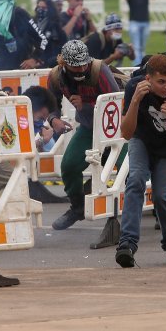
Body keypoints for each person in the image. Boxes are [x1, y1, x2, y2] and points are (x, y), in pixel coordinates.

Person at [114, 55, 166, 268]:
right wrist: (134, 101)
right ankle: (127, 244)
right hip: (142, 141)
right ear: (148, 79)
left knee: (161, 196)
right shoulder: (134, 87)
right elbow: (127, 133)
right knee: (136, 180)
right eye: (161, 82)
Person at [46, 39, 121, 230]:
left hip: (117, 129)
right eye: (75, 66)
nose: (81, 69)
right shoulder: (55, 77)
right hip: (88, 129)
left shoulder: (100, 71)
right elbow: (51, 104)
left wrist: (87, 105)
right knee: (69, 165)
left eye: (83, 64)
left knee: (129, 168)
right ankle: (77, 208)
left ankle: (132, 210)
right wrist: (54, 120)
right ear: (64, 64)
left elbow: (117, 104)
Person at [123, 0, 159, 64]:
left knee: (142, 47)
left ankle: (142, 64)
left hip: (145, 22)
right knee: (136, 46)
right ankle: (136, 66)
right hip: (134, 22)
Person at [31, 0, 67, 68]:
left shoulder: (56, 27)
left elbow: (63, 50)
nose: (40, 10)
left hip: (50, 66)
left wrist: (47, 62)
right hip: (32, 64)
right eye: (39, 7)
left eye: (44, 8)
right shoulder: (31, 23)